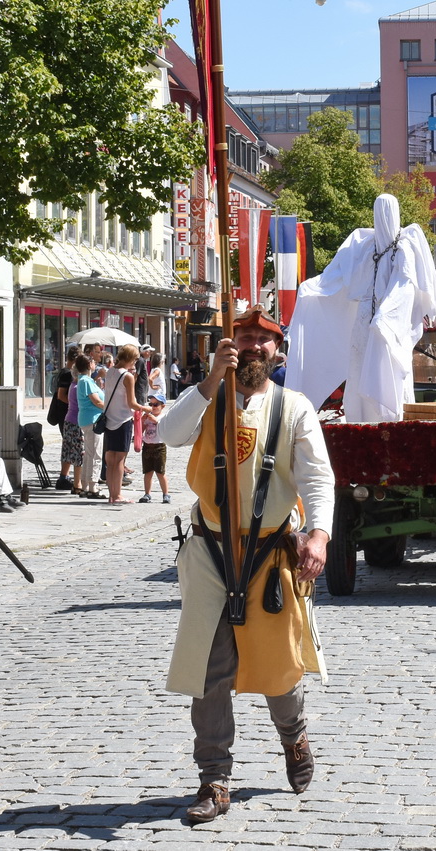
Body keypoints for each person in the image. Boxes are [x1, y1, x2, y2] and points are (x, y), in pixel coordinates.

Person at [156, 306, 333, 824]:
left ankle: (293, 736)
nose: (252, 346)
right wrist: (210, 378)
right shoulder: (207, 398)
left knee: (279, 668)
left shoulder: (294, 407)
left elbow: (317, 478)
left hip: (269, 552)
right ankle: (214, 777)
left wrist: (318, 534)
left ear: (277, 352)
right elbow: (167, 433)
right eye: (244, 337)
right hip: (211, 550)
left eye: (263, 339)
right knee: (209, 670)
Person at [101, 345, 149, 505]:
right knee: (120, 460)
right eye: (135, 359)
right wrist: (147, 408)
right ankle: (118, 495)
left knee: (110, 460)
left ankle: (111, 495)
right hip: (122, 421)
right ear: (130, 359)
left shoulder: (110, 372)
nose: (136, 362)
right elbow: (132, 403)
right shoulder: (127, 376)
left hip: (109, 420)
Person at [75, 354, 105, 498]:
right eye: (93, 362)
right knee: (96, 454)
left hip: (88, 419)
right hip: (93, 420)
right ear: (89, 365)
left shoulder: (86, 380)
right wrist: (110, 408)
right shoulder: (85, 381)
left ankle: (86, 484)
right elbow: (97, 401)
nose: (95, 364)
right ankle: (93, 486)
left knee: (89, 453)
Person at [52, 349, 81, 491]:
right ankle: (66, 478)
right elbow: (61, 395)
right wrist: (74, 403)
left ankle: (65, 477)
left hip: (68, 413)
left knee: (69, 446)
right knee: (72, 446)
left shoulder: (68, 372)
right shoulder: (66, 373)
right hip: (66, 414)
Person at [139, 393, 169, 502]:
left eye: (156, 404)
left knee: (160, 472)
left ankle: (166, 494)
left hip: (159, 446)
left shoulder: (163, 417)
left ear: (163, 406)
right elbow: (141, 430)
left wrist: (155, 420)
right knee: (148, 472)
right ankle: (147, 493)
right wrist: (142, 421)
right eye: (150, 404)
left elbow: (164, 428)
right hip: (147, 446)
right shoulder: (147, 417)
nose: (152, 407)